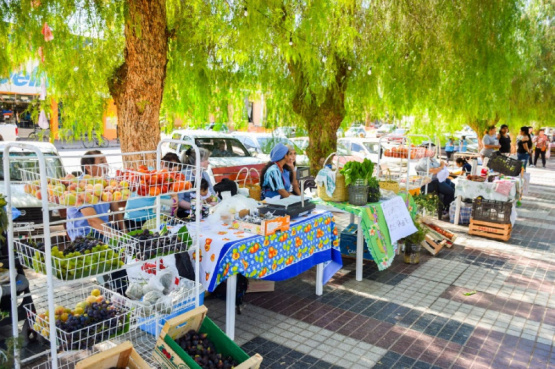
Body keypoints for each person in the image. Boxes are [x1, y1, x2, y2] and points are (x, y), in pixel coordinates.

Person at [66, 150, 124, 240]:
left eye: (106, 161)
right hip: (85, 235)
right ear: (88, 167)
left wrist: (125, 232)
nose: (106, 164)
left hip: (104, 230)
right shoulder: (80, 187)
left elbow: (115, 210)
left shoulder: (106, 182)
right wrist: (120, 238)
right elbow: (93, 221)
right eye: (101, 161)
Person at [124, 153, 181, 229]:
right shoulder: (151, 175)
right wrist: (174, 196)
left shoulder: (166, 183)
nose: (172, 172)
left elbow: (171, 210)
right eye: (170, 167)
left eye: (175, 172)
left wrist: (174, 197)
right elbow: (166, 209)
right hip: (139, 220)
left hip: (136, 219)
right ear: (162, 164)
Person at [178, 147, 216, 213]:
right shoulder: (182, 176)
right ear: (197, 161)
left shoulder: (204, 174)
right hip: (187, 212)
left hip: (205, 210)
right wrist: (198, 207)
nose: (208, 162)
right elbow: (179, 200)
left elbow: (212, 194)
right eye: (206, 159)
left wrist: (215, 202)